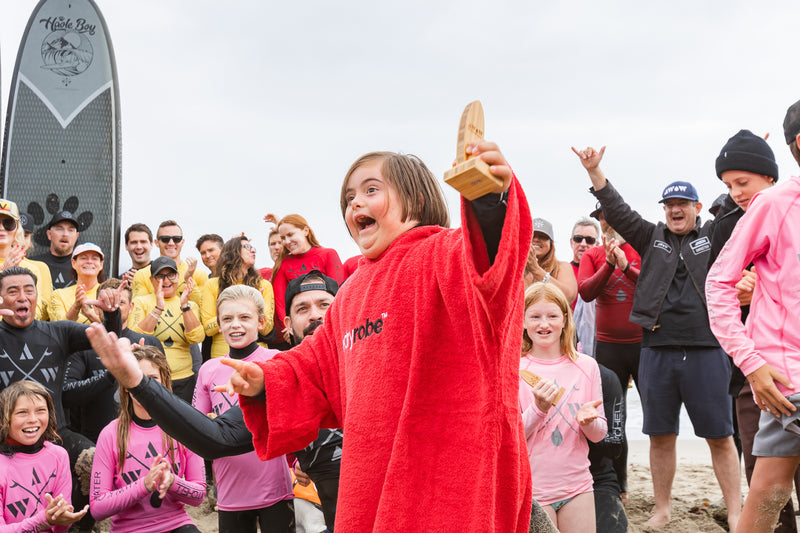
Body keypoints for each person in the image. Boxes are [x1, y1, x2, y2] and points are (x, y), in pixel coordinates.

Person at [213, 143, 532, 531]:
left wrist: (488, 199)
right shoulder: (350, 293)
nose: (354, 204)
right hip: (369, 478)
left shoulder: (445, 253)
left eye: (370, 190)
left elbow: (490, 264)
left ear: (414, 199)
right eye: (349, 197)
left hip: (449, 469)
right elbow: (315, 364)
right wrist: (267, 380)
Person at [90, 270, 344, 530]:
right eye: (303, 308)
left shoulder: (283, 363)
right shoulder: (282, 373)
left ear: (261, 322)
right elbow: (210, 432)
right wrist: (139, 383)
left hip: (283, 492)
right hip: (235, 491)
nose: (315, 314)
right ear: (287, 325)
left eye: (325, 304)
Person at [572, 145, 741, 530]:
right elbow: (617, 209)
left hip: (707, 348)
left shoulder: (713, 235)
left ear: (697, 207)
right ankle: (662, 509)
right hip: (657, 349)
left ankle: (735, 510)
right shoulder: (651, 237)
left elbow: (737, 206)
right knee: (660, 434)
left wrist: (748, 166)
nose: (675, 210)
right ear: (663, 209)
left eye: (683, 203)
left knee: (720, 435)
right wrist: (595, 172)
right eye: (669, 204)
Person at [706, 109, 800, 532]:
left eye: (741, 182)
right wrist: (751, 363)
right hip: (787, 381)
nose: (736, 192)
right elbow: (718, 285)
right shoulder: (774, 204)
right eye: (731, 185)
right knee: (768, 492)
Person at [0, 266, 123, 533]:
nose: (22, 297)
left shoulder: (59, 332)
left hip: (55, 433)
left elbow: (107, 337)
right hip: (3, 439)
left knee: (94, 462)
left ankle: (79, 526)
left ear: (37, 296)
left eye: (28, 290)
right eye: (13, 291)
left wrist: (112, 313)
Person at [194, 285, 293, 533]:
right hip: (230, 490)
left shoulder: (276, 361)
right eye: (227, 318)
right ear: (218, 324)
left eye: (244, 317)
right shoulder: (209, 369)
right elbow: (198, 427)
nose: (235, 325)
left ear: (260, 322)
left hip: (275, 488)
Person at [89, 345, 205, 532]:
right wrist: (143, 485)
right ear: (126, 385)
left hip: (177, 524)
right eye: (137, 377)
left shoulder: (183, 428)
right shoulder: (110, 434)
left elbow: (199, 495)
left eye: (152, 379)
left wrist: (173, 482)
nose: (144, 386)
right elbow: (97, 508)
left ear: (165, 382)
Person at [519, 282, 605, 532]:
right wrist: (539, 408)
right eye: (535, 316)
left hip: (578, 486)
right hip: (534, 489)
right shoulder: (514, 369)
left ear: (565, 319)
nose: (544, 324)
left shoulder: (587, 366)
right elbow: (511, 439)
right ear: (522, 321)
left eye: (552, 316)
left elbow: (599, 436)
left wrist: (590, 422)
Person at [577, 206, 642, 502]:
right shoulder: (592, 255)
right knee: (616, 418)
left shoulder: (642, 247)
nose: (608, 222)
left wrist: (626, 265)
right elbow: (586, 292)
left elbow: (654, 286)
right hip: (608, 346)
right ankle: (619, 484)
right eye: (603, 218)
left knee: (657, 419)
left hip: (644, 344)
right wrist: (610, 265)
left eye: (612, 217)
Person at [63, 278, 162, 443]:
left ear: (131, 308)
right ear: (95, 306)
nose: (113, 307)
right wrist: (111, 374)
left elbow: (164, 394)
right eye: (106, 302)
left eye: (120, 302)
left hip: (146, 440)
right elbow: (68, 395)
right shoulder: (83, 345)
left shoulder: (149, 343)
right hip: (95, 441)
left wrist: (141, 367)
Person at [0, 381, 89, 532]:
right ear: (3, 418)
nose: (33, 419)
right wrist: (44, 520)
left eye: (41, 410)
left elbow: (60, 527)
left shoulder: (58, 456)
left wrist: (63, 519)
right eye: (22, 412)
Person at [129, 256, 203, 403]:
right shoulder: (140, 302)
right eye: (160, 276)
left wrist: (185, 307)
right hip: (151, 379)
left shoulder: (190, 304)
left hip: (183, 379)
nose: (167, 280)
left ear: (178, 277)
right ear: (151, 280)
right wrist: (158, 308)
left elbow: (197, 337)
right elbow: (136, 337)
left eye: (171, 275)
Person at [200, 235, 274, 358]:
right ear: (232, 253)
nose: (253, 250)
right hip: (222, 357)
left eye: (253, 247)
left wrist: (227, 314)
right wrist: (247, 310)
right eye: (246, 247)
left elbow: (266, 328)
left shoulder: (264, 285)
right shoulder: (212, 284)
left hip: (256, 357)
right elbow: (208, 328)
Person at [269, 213, 344, 330]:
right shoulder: (283, 263)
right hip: (301, 328)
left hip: (330, 324)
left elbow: (339, 292)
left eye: (290, 234)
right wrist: (289, 328)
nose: (287, 241)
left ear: (305, 231)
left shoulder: (328, 254)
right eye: (283, 238)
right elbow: (280, 302)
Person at [131, 220, 207, 305]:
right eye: (165, 239)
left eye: (176, 239)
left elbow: (202, 308)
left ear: (182, 242)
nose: (171, 243)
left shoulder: (199, 274)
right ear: (156, 242)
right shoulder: (142, 275)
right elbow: (138, 309)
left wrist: (189, 279)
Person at [0, 200, 51, 320]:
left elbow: (36, 315)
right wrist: (4, 276)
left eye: (8, 223)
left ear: (17, 228)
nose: (1, 228)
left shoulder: (31, 269)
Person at [524, 218, 578, 305]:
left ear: (551, 243)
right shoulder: (515, 268)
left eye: (543, 237)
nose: (536, 239)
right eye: (532, 235)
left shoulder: (562, 267)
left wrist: (536, 270)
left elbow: (568, 298)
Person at [49, 243, 106, 324]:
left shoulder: (108, 293)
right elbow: (59, 329)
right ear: (73, 263)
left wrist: (89, 313)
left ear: (101, 264)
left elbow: (114, 331)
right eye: (83, 258)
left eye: (94, 259)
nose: (89, 261)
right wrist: (76, 307)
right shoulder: (58, 295)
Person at [30, 210, 80, 290]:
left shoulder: (83, 267)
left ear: (76, 236)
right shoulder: (33, 265)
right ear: (49, 234)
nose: (65, 234)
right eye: (59, 229)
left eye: (70, 230)